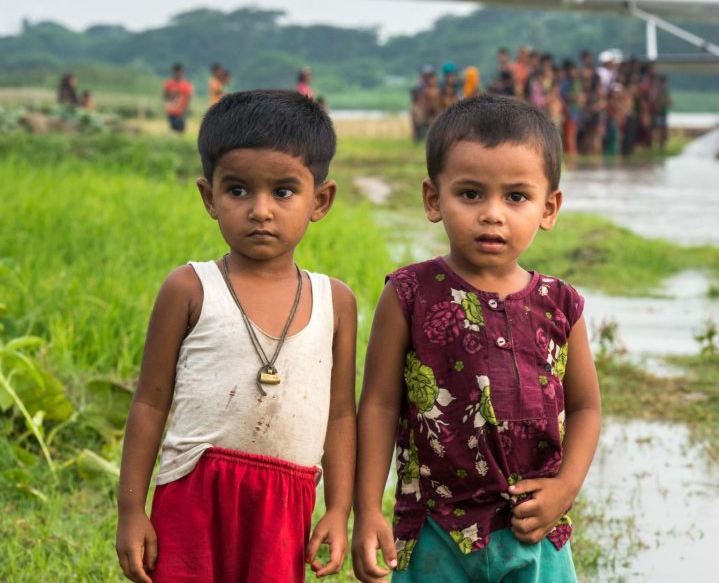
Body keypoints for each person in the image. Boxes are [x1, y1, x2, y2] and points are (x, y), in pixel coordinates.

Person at [352, 95, 601, 582]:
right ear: (432, 199)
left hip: (535, 527)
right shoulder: (409, 293)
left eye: (516, 197)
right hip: (434, 532)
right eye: (470, 194)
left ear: (549, 208)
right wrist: (367, 510)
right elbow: (379, 405)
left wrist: (565, 489)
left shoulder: (560, 303)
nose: (492, 214)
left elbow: (588, 408)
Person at [115, 90, 358, 583]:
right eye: (238, 190)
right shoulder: (189, 288)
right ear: (210, 197)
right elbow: (149, 403)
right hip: (193, 491)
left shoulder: (336, 302)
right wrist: (130, 510)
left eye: (284, 192)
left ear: (321, 200)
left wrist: (338, 510)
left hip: (285, 501)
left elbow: (339, 415)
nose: (260, 210)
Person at [162, 63, 194, 134]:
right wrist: (172, 94)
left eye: (180, 72)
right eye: (177, 72)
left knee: (181, 129)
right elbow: (165, 95)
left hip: (181, 111)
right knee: (174, 129)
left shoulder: (185, 84)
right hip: (171, 110)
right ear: (174, 72)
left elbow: (188, 97)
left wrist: (187, 108)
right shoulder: (169, 83)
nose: (179, 74)